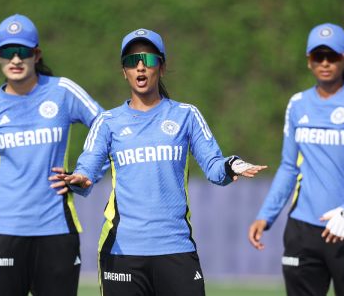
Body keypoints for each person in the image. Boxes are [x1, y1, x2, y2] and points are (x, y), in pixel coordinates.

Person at [50, 28, 267, 296]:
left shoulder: (186, 115)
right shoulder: (108, 122)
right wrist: (80, 178)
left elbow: (213, 166)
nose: (140, 67)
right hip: (123, 252)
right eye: (132, 61)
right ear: (124, 71)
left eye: (149, 60)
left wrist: (230, 165)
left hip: (176, 249)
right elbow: (88, 168)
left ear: (161, 68)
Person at [248, 23, 344, 296]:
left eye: (332, 56)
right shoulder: (297, 104)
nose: (325, 63)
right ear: (309, 62)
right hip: (303, 231)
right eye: (317, 57)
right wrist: (266, 215)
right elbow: (288, 167)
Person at [0, 14, 104, 296]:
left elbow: (108, 128)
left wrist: (87, 172)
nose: (16, 59)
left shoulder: (62, 92)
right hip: (5, 231)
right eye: (8, 51)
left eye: (23, 51)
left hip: (56, 231)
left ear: (36, 54)